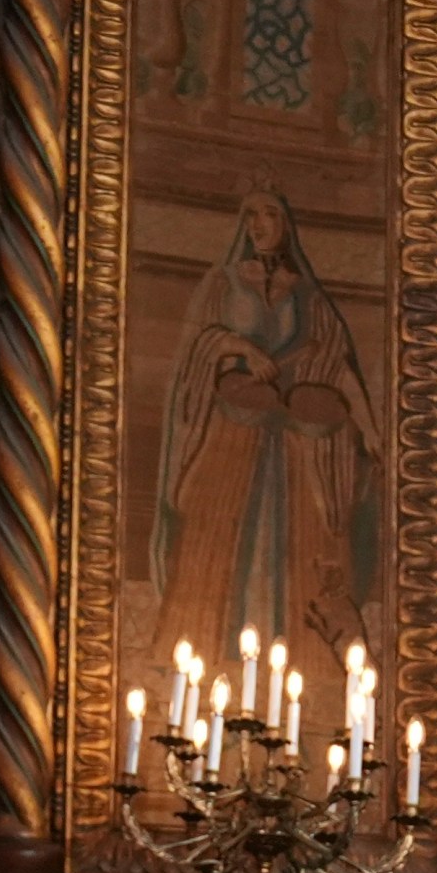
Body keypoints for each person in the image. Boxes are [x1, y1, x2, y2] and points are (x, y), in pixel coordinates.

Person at [150, 181, 376, 673]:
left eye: (269, 214)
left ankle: (302, 654)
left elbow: (335, 359)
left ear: (286, 226)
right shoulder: (223, 282)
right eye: (250, 215)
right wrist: (239, 348)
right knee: (221, 530)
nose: (258, 224)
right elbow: (199, 346)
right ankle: (202, 649)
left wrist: (367, 426)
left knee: (298, 535)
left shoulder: (309, 297)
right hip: (235, 433)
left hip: (294, 442)